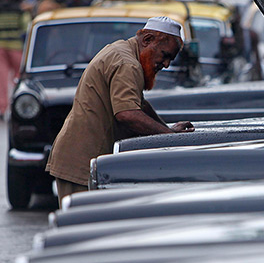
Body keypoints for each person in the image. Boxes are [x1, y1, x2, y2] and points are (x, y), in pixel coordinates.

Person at [46, 16, 195, 207]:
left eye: (170, 59)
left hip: (81, 158)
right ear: (147, 40)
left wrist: (167, 131)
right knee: (86, 228)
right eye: (165, 55)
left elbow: (139, 105)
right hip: (83, 163)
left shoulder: (122, 51)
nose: (165, 64)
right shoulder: (128, 64)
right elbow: (127, 113)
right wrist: (169, 137)